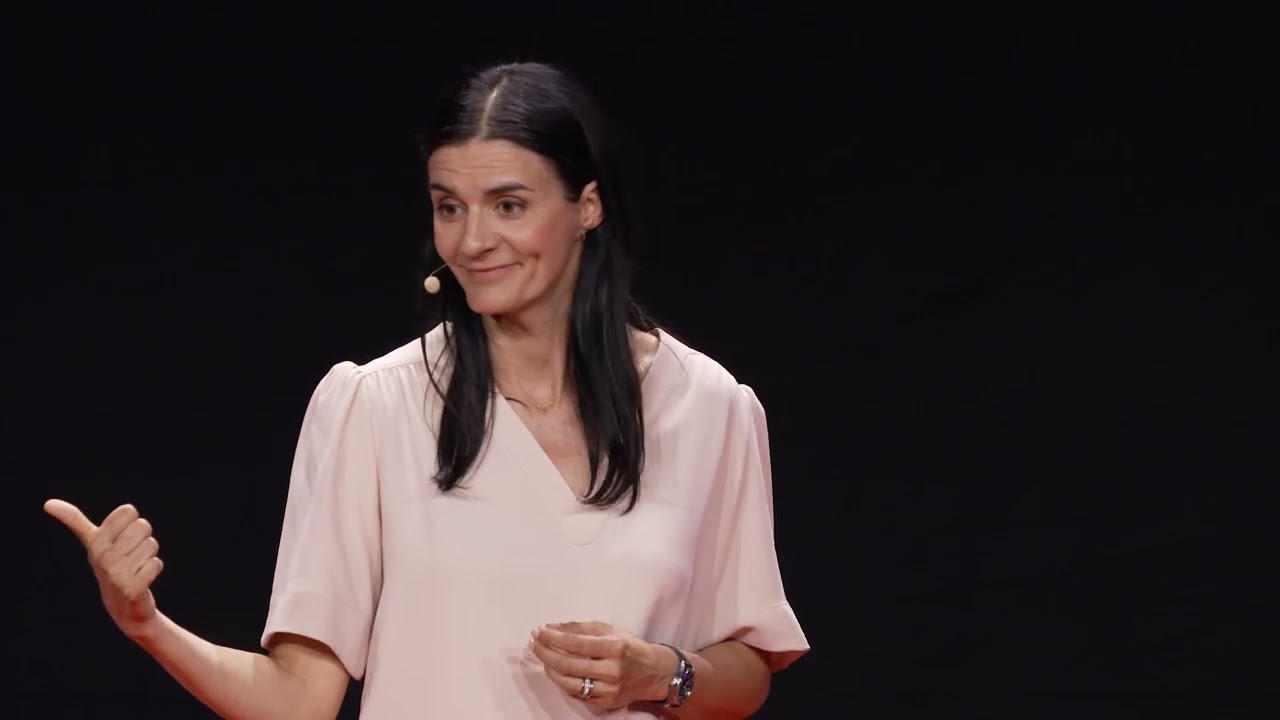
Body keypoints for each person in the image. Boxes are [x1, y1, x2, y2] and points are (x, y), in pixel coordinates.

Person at [44, 61, 809, 719]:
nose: (472, 240)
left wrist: (664, 674)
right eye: (450, 206)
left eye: (508, 205)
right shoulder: (375, 407)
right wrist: (147, 624)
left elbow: (746, 669)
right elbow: (297, 701)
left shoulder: (709, 406)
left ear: (588, 205)